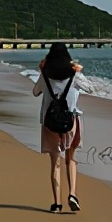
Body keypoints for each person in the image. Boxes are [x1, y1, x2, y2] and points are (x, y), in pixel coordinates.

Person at [32, 42, 84, 213]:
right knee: (70, 159)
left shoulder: (45, 74)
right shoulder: (74, 75)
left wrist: (41, 71)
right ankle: (73, 193)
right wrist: (78, 71)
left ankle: (56, 204)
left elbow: (35, 92)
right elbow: (91, 88)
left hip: (50, 123)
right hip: (71, 122)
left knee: (55, 163)